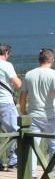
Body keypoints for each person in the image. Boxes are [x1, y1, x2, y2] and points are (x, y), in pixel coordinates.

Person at [19, 49, 55, 179]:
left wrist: (23, 112)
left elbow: (23, 96)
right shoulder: (54, 74)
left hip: (33, 116)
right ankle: (53, 173)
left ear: (39, 60)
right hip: (51, 115)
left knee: (32, 146)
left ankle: (31, 176)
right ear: (52, 60)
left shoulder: (29, 74)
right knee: (54, 145)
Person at [0, 43, 22, 172]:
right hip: (5, 103)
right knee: (16, 132)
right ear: (6, 52)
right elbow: (18, 83)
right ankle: (13, 161)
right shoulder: (7, 65)